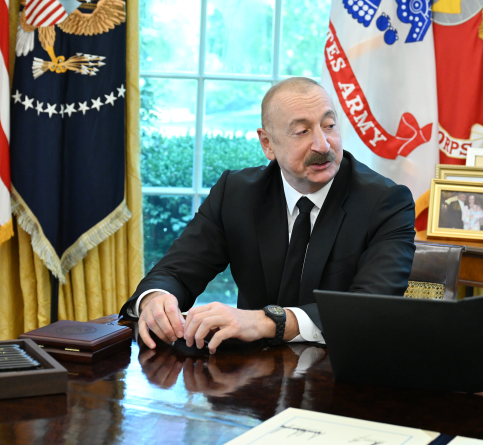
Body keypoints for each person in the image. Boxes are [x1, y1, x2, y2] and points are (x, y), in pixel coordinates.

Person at [121, 77, 417, 352]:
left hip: (340, 374)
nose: (323, 145)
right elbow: (175, 271)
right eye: (302, 131)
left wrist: (265, 322)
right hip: (248, 381)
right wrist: (157, 299)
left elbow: (370, 308)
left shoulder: (386, 203)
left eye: (329, 126)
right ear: (267, 144)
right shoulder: (236, 193)